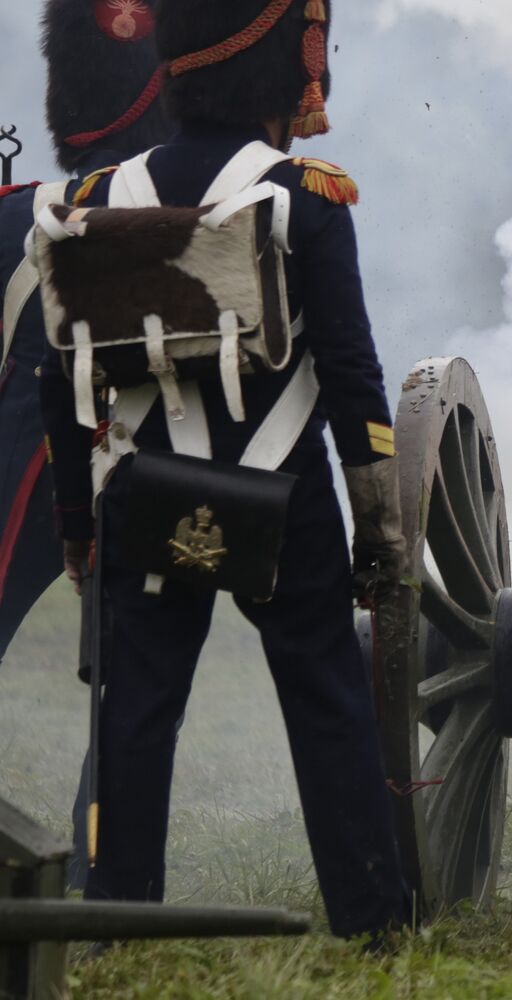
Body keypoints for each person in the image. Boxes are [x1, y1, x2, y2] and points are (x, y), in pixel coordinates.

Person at [38, 0, 411, 940]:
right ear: (286, 71)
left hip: (144, 498)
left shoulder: (95, 202)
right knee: (327, 703)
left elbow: (61, 383)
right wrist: (380, 530)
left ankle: (118, 918)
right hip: (283, 493)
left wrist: (81, 532)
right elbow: (356, 378)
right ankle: (370, 922)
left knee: (137, 712)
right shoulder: (307, 198)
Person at [1, 0, 178, 891]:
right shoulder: (221, 217)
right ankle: (100, 869)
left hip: (39, 479)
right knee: (138, 676)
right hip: (121, 476)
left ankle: (97, 866)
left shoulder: (13, 216)